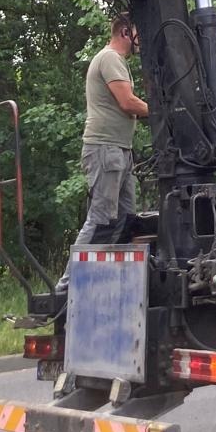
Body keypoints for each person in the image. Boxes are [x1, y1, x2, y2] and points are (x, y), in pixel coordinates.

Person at [62, 15, 149, 277]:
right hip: (105, 149)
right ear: (125, 32)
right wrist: (165, 113)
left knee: (125, 219)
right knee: (101, 218)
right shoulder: (110, 58)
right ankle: (68, 285)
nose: (141, 40)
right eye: (137, 32)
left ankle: (110, 279)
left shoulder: (118, 61)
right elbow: (128, 102)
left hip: (120, 150)